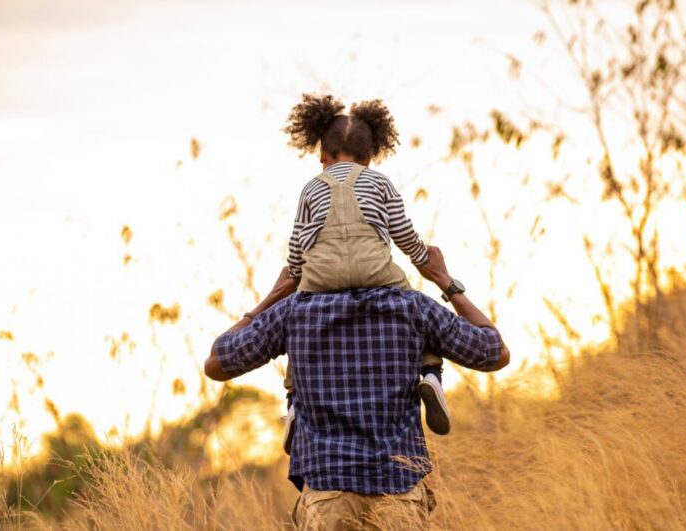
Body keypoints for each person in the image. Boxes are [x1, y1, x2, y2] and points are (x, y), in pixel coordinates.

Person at [205, 246, 509, 529]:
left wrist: (273, 297)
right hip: (398, 490)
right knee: (425, 347)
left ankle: (294, 399)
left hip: (327, 491)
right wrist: (445, 281)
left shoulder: (294, 311)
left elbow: (218, 362)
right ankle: (431, 372)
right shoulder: (413, 306)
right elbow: (494, 351)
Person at [242, 94, 454, 454]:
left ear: (322, 153)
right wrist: (422, 258)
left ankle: (293, 402)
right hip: (377, 274)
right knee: (417, 310)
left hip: (320, 282)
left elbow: (298, 246)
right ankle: (431, 374)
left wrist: (297, 273)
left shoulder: (311, 188)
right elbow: (403, 233)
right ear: (369, 156)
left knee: (298, 322)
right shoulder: (380, 182)